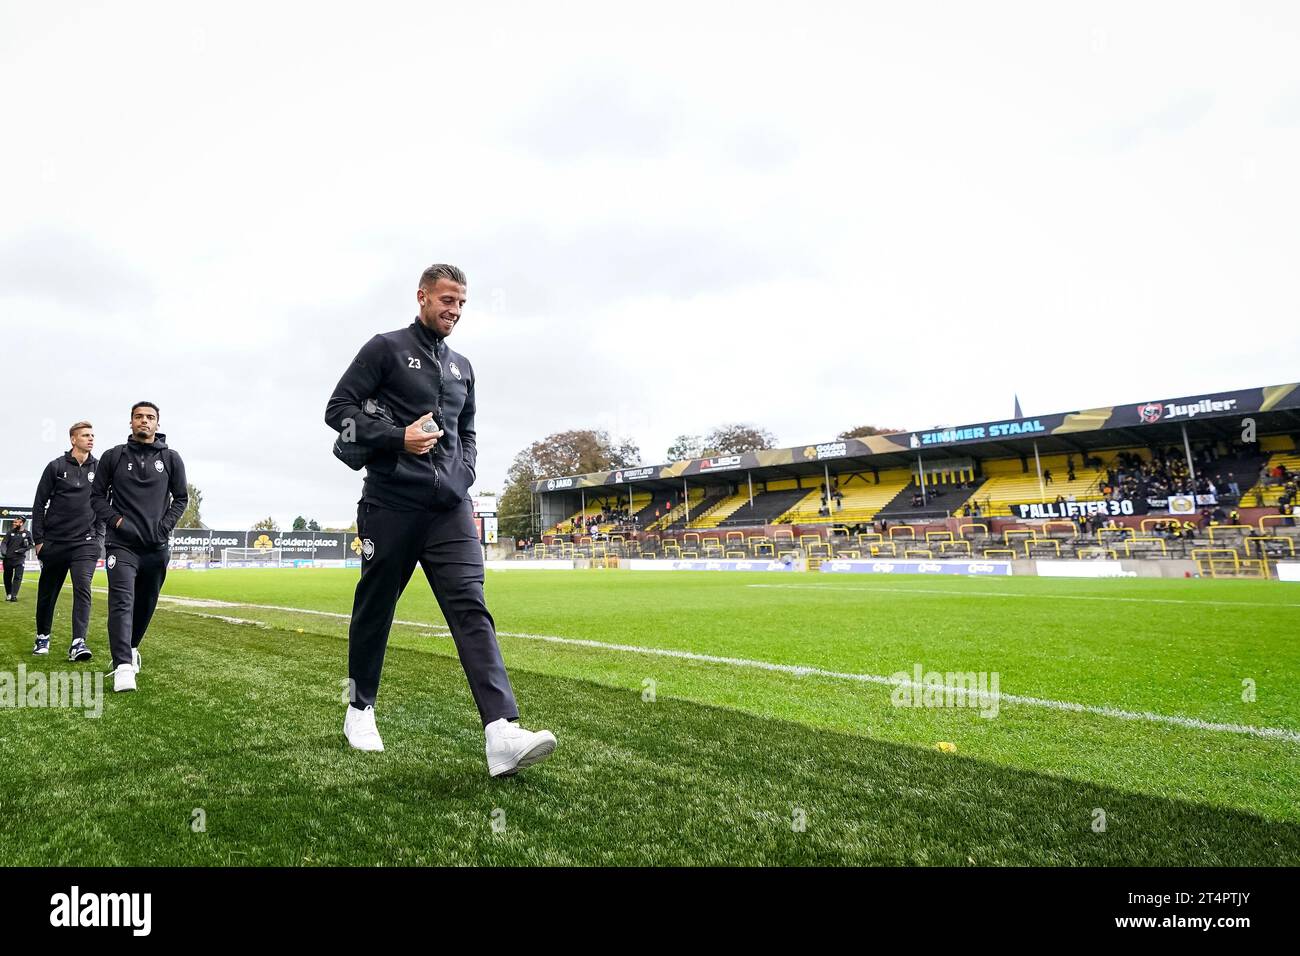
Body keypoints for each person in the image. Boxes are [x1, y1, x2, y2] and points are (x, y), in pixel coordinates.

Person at [324, 263, 555, 777]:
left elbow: (467, 431)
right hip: (389, 504)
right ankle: (360, 708)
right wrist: (395, 438)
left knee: (472, 608)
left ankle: (501, 731)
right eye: (446, 300)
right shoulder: (383, 348)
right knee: (376, 605)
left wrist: (465, 474)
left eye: (461, 304)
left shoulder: (463, 367)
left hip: (450, 509)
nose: (454, 310)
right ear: (423, 296)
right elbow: (336, 410)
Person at [90, 402, 188, 693]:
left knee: (146, 603)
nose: (144, 421)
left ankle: (131, 649)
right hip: (121, 546)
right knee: (121, 602)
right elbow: (96, 498)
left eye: (150, 417)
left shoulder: (171, 458)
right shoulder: (113, 457)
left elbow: (181, 498)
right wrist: (118, 522)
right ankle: (122, 666)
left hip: (156, 547)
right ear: (130, 422)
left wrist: (164, 527)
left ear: (158, 423)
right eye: (138, 417)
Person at [31, 421, 104, 659]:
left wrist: (99, 539)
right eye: (85, 435)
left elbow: (104, 503)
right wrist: (39, 540)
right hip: (55, 543)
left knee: (83, 588)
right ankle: (43, 637)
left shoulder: (100, 468)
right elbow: (39, 504)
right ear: (73, 439)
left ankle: (78, 643)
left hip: (85, 543)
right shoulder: (56, 466)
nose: (90, 438)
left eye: (92, 435)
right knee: (47, 592)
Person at [3, 517, 33, 601]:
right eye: (14, 522)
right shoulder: (10, 532)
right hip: (8, 559)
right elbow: (4, 543)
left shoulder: (27, 533)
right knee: (7, 577)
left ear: (21, 523)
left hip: (20, 559)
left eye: (16, 522)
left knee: (18, 577)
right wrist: (3, 552)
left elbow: (31, 545)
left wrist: (22, 550)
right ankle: (8, 593)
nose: (14, 524)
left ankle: (14, 595)